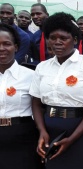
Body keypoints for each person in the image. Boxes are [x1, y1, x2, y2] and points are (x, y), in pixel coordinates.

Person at [29, 12, 83, 169]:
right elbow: (36, 103)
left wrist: (72, 138)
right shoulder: (42, 67)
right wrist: (42, 131)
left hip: (81, 132)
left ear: (75, 40)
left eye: (63, 38)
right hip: (50, 132)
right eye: (52, 38)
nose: (57, 42)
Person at [0, 23, 42, 169]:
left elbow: (39, 107)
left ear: (16, 47)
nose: (1, 48)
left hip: (23, 138)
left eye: (7, 44)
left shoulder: (31, 75)